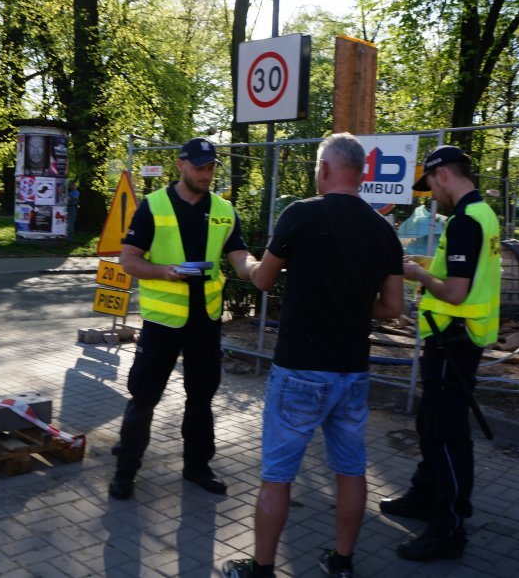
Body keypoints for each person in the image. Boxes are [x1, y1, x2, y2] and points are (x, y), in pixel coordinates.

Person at [220, 133, 404, 578]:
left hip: (299, 370)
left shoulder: (301, 214)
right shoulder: (384, 231)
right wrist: (354, 310)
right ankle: (342, 563)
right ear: (361, 174)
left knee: (278, 475)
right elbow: (393, 308)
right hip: (352, 373)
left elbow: (262, 280)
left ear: (324, 169)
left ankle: (262, 569)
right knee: (351, 470)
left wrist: (240, 262)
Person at [109, 137, 258, 500]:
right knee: (144, 397)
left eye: (211, 168)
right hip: (162, 323)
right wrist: (166, 272)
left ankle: (197, 467)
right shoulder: (153, 206)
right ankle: (125, 471)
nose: (206, 174)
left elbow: (239, 258)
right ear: (181, 165)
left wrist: (256, 269)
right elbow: (128, 261)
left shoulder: (224, 209)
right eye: (199, 167)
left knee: (201, 397)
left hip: (205, 321)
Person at [380, 145, 500, 562]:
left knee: (446, 433)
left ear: (443, 174)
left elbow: (455, 290)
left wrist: (416, 274)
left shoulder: (467, 220)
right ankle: (425, 495)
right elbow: (461, 270)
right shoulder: (480, 215)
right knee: (432, 424)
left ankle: (448, 526)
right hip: (455, 338)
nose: (431, 194)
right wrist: (428, 262)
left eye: (429, 185)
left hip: (454, 339)